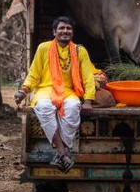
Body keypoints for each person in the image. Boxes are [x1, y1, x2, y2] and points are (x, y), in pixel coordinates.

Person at [14, 16, 96, 172]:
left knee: (73, 108)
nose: (65, 31)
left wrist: (88, 99)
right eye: (61, 28)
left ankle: (60, 154)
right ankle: (64, 153)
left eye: (68, 29)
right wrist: (24, 90)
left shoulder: (80, 51)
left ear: (72, 33)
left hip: (68, 91)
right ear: (54, 32)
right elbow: (34, 74)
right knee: (44, 107)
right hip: (45, 90)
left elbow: (88, 77)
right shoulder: (43, 48)